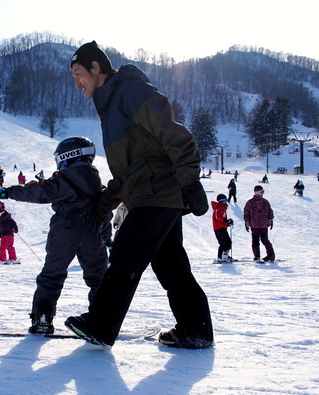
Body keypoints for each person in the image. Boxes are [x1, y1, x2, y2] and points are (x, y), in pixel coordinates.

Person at [65, 40, 213, 349]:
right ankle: (195, 329)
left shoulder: (128, 91)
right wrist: (101, 207)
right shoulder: (109, 110)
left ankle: (101, 325)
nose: (76, 82)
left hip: (157, 191)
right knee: (171, 265)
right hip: (152, 192)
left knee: (125, 256)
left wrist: (190, 180)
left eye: (79, 73)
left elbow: (173, 132)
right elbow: (125, 175)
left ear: (96, 68)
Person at [0, 137, 108, 334]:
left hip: (65, 228)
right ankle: (102, 320)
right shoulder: (97, 183)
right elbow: (105, 212)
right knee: (99, 278)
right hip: (92, 232)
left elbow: (39, 191)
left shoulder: (64, 178)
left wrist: (8, 192)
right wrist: (106, 237)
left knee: (53, 273)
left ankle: (42, 318)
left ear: (68, 156)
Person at [243, 185, 275, 261]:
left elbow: (270, 211)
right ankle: (257, 256)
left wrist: (270, 219)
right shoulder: (250, 203)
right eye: (261, 192)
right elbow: (246, 213)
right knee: (255, 242)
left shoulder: (265, 202)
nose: (262, 193)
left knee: (265, 240)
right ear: (257, 192)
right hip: (254, 225)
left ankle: (271, 254)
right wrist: (246, 221)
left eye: (263, 192)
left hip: (263, 225)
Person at [212, 193, 233, 262]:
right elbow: (219, 218)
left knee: (223, 243)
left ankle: (221, 257)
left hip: (219, 227)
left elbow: (219, 218)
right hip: (220, 228)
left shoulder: (219, 207)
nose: (226, 201)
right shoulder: (220, 207)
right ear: (223, 200)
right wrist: (226, 221)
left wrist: (227, 223)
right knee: (227, 242)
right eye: (225, 200)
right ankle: (224, 257)